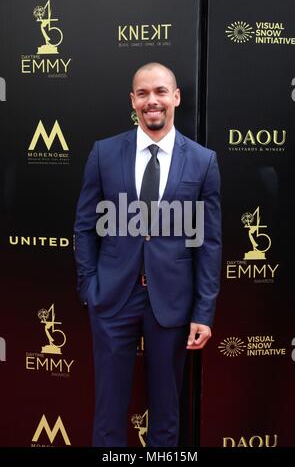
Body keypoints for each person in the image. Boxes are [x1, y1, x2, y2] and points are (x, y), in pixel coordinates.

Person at [74, 62, 221, 447]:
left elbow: (208, 241)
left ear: (176, 97)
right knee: (107, 414)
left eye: (160, 91)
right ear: (133, 101)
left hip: (171, 303)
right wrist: (90, 287)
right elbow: (85, 226)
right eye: (143, 93)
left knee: (167, 414)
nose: (151, 100)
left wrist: (203, 311)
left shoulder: (203, 161)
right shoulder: (104, 154)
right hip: (112, 300)